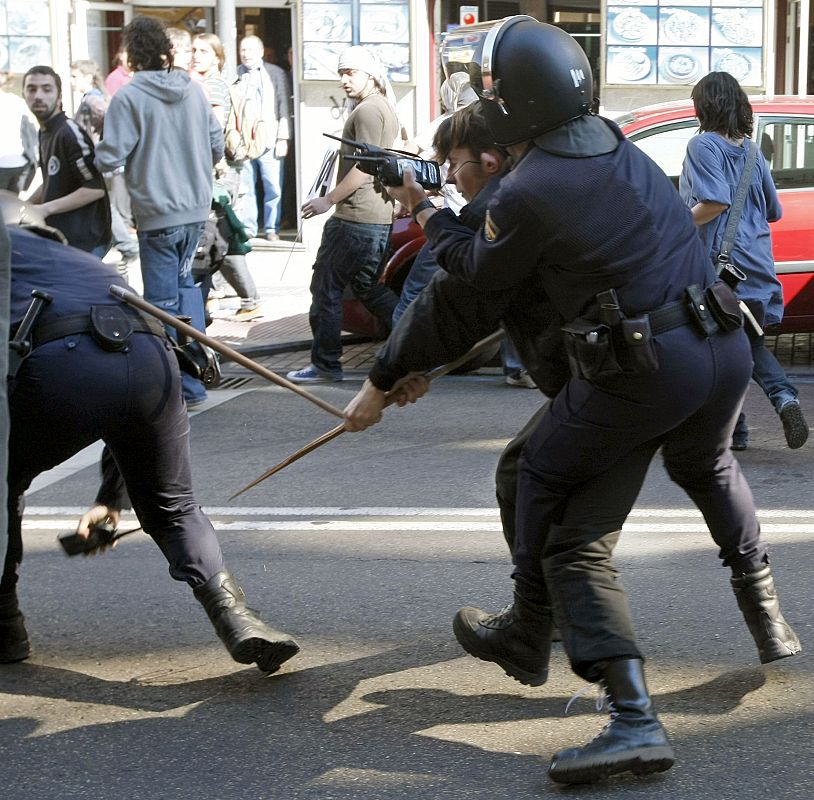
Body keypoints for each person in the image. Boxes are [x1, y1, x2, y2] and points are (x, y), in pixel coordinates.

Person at [343, 17, 801, 785]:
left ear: (514, 110)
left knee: (562, 520)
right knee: (669, 471)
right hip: (719, 346)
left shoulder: (532, 189)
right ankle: (753, 614)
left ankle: (605, 696)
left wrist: (426, 215)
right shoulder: (611, 143)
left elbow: (474, 279)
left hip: (646, 369)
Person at [0, 206, 299, 673]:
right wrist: (110, 500)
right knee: (175, 508)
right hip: (153, 358)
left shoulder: (10, 260)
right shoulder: (82, 265)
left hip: (63, 363)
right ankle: (237, 618)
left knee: (4, 484)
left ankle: (5, 626)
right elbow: (116, 369)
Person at [95, 16, 223, 406]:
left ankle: (183, 387)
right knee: (187, 294)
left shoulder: (130, 97)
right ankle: (202, 373)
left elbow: (110, 156)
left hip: (159, 213)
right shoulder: (193, 90)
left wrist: (97, 142)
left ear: (132, 54)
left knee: (162, 305)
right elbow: (217, 144)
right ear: (166, 52)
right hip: (197, 209)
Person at [680, 71, 808, 451]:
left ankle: (735, 428)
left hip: (720, 266)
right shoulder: (751, 150)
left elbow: (714, 202)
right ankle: (766, 411)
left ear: (705, 106)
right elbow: (774, 210)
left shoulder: (703, 147)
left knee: (712, 344)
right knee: (741, 343)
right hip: (755, 263)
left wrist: (675, 221)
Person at [287, 45, 400, 384]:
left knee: (326, 288)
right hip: (377, 217)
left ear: (370, 75)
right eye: (341, 73)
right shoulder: (384, 108)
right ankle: (418, 345)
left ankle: (325, 365)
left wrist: (328, 200)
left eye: (350, 73)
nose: (344, 80)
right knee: (368, 288)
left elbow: (366, 169)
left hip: (354, 218)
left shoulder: (367, 112)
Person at [191, 32, 261, 319]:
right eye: (194, 50)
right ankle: (230, 299)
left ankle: (242, 299)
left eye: (203, 51)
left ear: (217, 57)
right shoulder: (211, 83)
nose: (196, 55)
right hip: (221, 170)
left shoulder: (214, 86)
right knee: (219, 237)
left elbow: (214, 130)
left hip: (219, 172)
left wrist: (209, 162)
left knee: (217, 237)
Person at [22, 65, 111, 256]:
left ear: (59, 96)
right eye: (31, 89)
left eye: (47, 89)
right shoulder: (45, 132)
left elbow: (95, 189)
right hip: (65, 239)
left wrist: (45, 209)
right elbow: (54, 179)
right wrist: (25, 206)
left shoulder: (69, 133)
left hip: (86, 241)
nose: (38, 95)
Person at [71, 59, 140, 275]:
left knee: (105, 204)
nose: (72, 81)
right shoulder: (89, 99)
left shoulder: (93, 101)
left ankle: (126, 245)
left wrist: (105, 146)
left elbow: (108, 116)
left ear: (88, 77)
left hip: (94, 161)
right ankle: (120, 244)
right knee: (104, 204)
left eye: (75, 76)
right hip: (94, 159)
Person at [236, 35, 291, 241]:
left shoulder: (275, 73)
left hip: (270, 139)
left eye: (250, 50)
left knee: (273, 186)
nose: (246, 54)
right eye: (243, 50)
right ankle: (249, 229)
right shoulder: (235, 74)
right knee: (246, 187)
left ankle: (271, 228)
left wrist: (283, 138)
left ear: (260, 52)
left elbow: (283, 104)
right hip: (244, 142)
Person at [0, 73, 38, 194]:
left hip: (4, 162)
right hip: (20, 162)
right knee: (12, 205)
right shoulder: (17, 101)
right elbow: (34, 127)